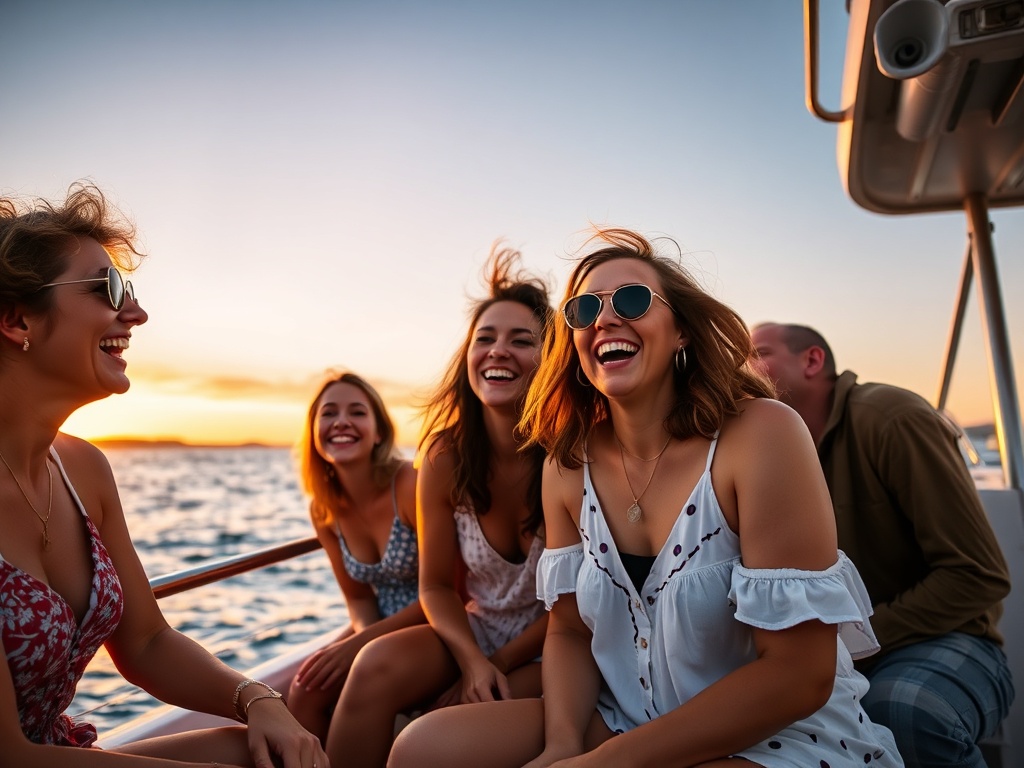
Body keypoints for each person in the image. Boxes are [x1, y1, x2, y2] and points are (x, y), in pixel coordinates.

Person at [390, 227, 903, 768]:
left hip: (775, 735)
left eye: (631, 300)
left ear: (679, 330)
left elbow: (800, 675)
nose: (605, 319)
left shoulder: (760, 435)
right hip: (620, 716)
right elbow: (568, 629)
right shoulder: (567, 463)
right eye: (583, 309)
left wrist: (604, 764)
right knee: (420, 749)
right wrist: (563, 743)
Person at [0, 183, 328, 768]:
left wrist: (259, 700)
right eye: (110, 289)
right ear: (16, 317)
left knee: (260, 755)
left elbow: (147, 641)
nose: (137, 313)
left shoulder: (84, 470)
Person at [320, 243, 553, 768]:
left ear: (551, 360)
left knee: (443, 735)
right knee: (372, 663)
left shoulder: (570, 455)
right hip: (475, 629)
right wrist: (472, 659)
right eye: (484, 339)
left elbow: (578, 602)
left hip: (558, 639)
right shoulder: (445, 457)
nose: (497, 351)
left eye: (522, 340)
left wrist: (494, 666)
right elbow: (435, 588)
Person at [750, 322, 1013, 768]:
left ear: (812, 361)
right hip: (831, 654)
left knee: (904, 713)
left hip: (946, 638)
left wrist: (850, 645)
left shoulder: (892, 418)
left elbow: (977, 576)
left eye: (758, 352)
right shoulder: (760, 447)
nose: (744, 367)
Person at [286, 371, 421, 741]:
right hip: (378, 626)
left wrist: (360, 645)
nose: (341, 421)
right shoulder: (323, 510)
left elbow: (449, 592)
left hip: (438, 622)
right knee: (303, 687)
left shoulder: (409, 485)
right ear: (313, 434)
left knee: (363, 667)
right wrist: (359, 638)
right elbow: (359, 600)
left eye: (357, 412)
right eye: (328, 413)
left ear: (379, 431)